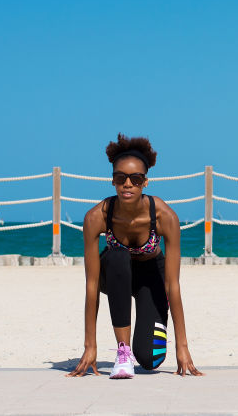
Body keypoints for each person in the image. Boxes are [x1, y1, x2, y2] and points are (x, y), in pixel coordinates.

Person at [68, 134, 202, 379]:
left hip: (151, 277)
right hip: (115, 275)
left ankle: (141, 347)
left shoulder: (165, 217)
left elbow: (173, 285)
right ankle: (123, 352)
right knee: (118, 256)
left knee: (151, 361)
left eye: (135, 178)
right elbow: (92, 285)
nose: (127, 184)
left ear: (145, 183)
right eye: (120, 178)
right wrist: (90, 346)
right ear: (113, 181)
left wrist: (182, 347)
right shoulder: (96, 217)